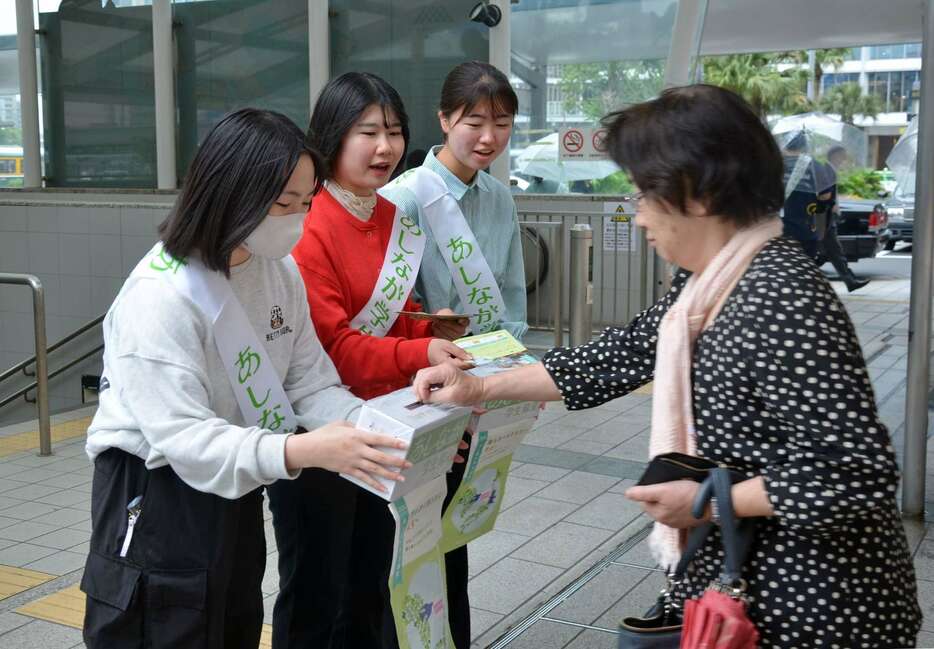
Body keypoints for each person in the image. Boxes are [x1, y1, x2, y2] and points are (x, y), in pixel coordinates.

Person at [411, 85, 922, 648]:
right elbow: (618, 356)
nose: (636, 216)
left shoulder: (780, 296)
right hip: (738, 583)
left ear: (696, 194)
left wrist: (705, 501)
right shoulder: (709, 282)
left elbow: (854, 472)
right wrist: (479, 385)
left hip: (813, 608)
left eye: (643, 195)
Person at [80, 108, 410, 649]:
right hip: (156, 493)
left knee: (230, 622)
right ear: (229, 191)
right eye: (283, 204)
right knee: (167, 627)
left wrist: (373, 428)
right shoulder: (160, 296)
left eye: (306, 204)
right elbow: (183, 437)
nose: (297, 221)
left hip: (237, 480)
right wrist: (302, 452)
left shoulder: (277, 271)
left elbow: (308, 382)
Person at [271, 72, 470, 649]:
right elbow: (335, 348)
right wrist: (419, 347)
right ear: (333, 136)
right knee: (315, 590)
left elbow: (391, 316)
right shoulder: (307, 223)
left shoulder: (390, 216)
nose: (385, 147)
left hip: (383, 428)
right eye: (368, 132)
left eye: (394, 131)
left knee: (369, 583)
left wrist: (428, 328)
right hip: (318, 434)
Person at [380, 60, 528, 647]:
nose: (488, 136)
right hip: (416, 391)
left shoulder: (498, 197)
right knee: (408, 542)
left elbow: (511, 298)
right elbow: (385, 310)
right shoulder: (403, 198)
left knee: (451, 540)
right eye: (474, 121)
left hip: (478, 389)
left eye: (502, 122)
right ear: (444, 120)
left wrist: (508, 380)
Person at [817, 146, 870, 292]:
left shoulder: (830, 169)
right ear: (835, 155)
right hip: (824, 216)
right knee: (831, 249)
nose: (845, 159)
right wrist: (833, 205)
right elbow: (824, 193)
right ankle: (849, 280)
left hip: (826, 216)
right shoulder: (827, 169)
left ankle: (849, 280)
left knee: (830, 250)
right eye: (843, 155)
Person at [780, 131, 824, 258]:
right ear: (804, 146)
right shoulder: (814, 166)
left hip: (777, 228)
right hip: (806, 227)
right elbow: (825, 196)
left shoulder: (775, 164)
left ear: (785, 144)